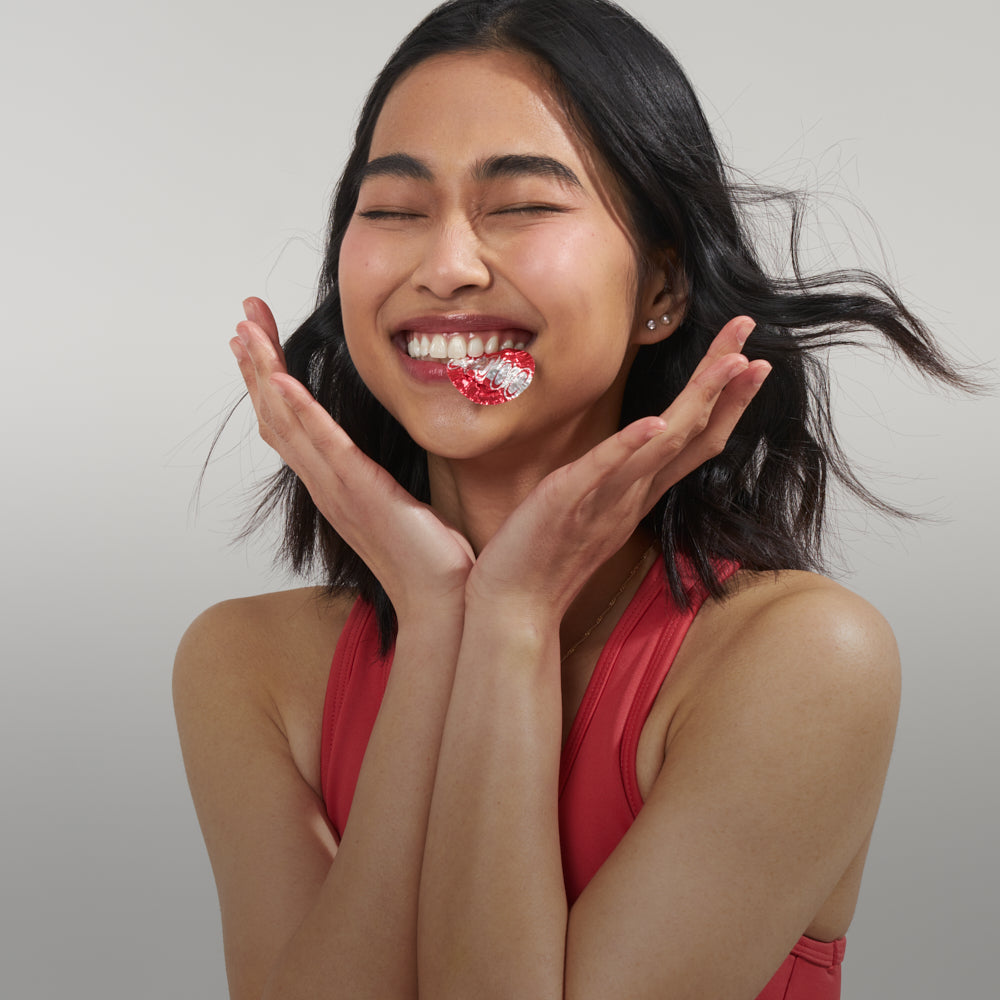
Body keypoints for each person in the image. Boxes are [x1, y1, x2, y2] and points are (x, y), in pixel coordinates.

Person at [173, 1, 971, 997]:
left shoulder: (803, 660)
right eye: (392, 211)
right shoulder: (245, 667)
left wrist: (506, 618)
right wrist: (434, 621)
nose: (446, 267)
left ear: (661, 292)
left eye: (518, 206)